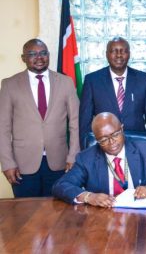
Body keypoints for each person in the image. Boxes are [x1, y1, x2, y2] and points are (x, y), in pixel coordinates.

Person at [0, 38, 80, 197]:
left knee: (57, 215)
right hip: (23, 165)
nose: (39, 57)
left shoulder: (65, 82)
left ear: (49, 55)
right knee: (26, 215)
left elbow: (75, 122)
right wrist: (7, 163)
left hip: (60, 163)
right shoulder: (9, 84)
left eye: (43, 53)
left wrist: (73, 156)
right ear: (23, 58)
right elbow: (3, 127)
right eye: (32, 54)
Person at [52, 112, 146, 207]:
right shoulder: (86, 158)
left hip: (141, 215)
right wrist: (88, 197)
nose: (112, 143)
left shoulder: (145, 149)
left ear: (122, 129)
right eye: (104, 139)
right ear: (96, 139)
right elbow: (60, 185)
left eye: (115, 135)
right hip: (103, 218)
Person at [79, 37, 146, 149]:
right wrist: (86, 151)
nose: (119, 55)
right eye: (114, 51)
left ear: (129, 54)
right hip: (103, 146)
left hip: (137, 146)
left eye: (123, 51)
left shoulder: (144, 80)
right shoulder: (92, 81)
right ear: (107, 54)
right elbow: (85, 122)